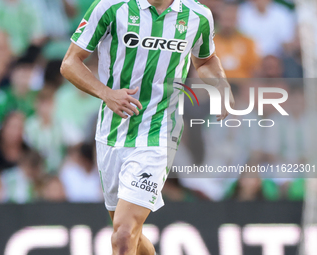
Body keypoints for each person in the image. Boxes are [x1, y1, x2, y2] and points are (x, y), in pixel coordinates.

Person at [61, 0, 234, 254]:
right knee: (129, 233)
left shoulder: (198, 15)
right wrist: (107, 94)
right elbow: (70, 62)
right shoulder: (110, 7)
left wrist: (220, 86)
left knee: (122, 234)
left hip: (158, 132)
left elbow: (205, 60)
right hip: (111, 133)